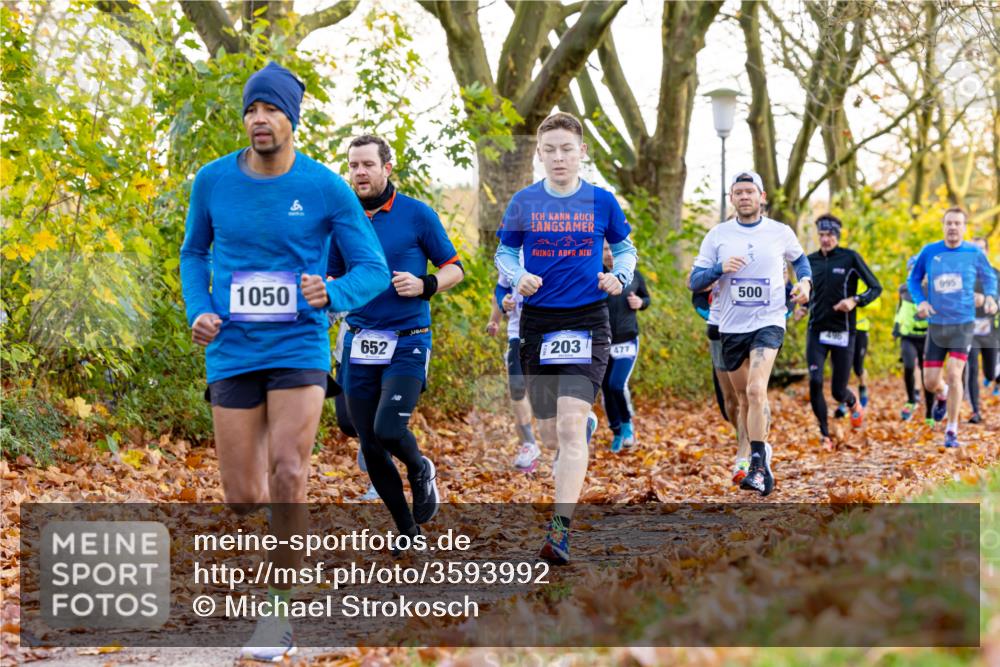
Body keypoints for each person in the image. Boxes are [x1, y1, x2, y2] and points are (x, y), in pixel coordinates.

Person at [179, 62, 389, 661]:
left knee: (289, 472)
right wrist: (199, 307)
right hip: (232, 348)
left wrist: (335, 294)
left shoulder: (325, 187)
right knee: (244, 495)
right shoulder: (213, 181)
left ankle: (280, 613)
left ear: (290, 118)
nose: (258, 119)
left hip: (298, 345)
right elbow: (194, 252)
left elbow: (371, 267)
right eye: (251, 110)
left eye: (270, 109)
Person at [495, 111, 637, 564]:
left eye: (567, 149)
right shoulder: (524, 201)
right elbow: (505, 251)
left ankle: (560, 531)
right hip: (538, 322)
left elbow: (626, 248)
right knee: (553, 431)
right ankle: (587, 425)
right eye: (550, 149)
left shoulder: (601, 201)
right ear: (539, 154)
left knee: (570, 429)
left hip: (588, 320)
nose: (559, 157)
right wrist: (518, 276)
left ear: (582, 153)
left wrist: (622, 276)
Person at [329, 134, 464, 539]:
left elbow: (454, 268)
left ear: (387, 168)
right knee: (368, 441)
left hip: (408, 339)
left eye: (367, 164)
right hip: (360, 339)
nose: (359, 172)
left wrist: (425, 285)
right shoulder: (344, 219)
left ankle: (421, 468)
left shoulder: (417, 215)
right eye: (353, 165)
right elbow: (333, 275)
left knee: (388, 430)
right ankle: (407, 529)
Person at [690, 170, 812, 496]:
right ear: (731, 198)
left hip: (768, 321)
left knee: (757, 390)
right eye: (738, 192)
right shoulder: (717, 235)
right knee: (742, 399)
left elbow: (801, 262)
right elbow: (694, 282)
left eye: (750, 191)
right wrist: (719, 269)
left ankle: (758, 465)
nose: (744, 197)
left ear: (762, 197)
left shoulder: (780, 232)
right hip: (730, 326)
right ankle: (761, 450)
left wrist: (805, 283)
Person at [908, 207, 998, 447]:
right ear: (943, 225)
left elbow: (990, 277)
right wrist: (922, 301)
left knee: (955, 373)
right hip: (937, 325)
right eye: (949, 223)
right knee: (930, 382)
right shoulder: (929, 251)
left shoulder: (973, 252)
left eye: (958, 223)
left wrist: (990, 297)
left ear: (964, 227)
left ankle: (952, 429)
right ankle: (942, 393)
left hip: (963, 324)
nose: (953, 227)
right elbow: (913, 279)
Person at [799, 214, 882, 450]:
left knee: (837, 391)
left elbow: (876, 287)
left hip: (844, 332)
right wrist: (802, 306)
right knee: (815, 381)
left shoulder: (850, 258)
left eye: (830, 235)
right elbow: (807, 291)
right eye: (822, 235)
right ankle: (825, 435)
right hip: (816, 330)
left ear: (837, 235)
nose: (825, 240)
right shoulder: (810, 261)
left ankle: (853, 403)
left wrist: (855, 300)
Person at [486, 259, 541, 472]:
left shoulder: (550, 246)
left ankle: (566, 448)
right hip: (517, 333)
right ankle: (529, 445)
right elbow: (500, 289)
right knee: (517, 388)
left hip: (548, 332)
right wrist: (500, 308)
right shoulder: (509, 256)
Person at [601, 241, 650, 452]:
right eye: (604, 249)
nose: (610, 254)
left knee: (616, 385)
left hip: (627, 339)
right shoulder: (594, 274)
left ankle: (627, 425)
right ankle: (617, 432)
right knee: (605, 388)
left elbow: (646, 297)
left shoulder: (633, 274)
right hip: (602, 341)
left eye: (613, 249)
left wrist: (640, 303)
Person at [893, 257, 934, 423]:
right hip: (908, 336)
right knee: (909, 366)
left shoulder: (933, 290)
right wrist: (896, 326)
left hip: (927, 337)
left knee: (928, 375)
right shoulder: (903, 289)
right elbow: (900, 309)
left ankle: (930, 413)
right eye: (911, 269)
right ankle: (911, 400)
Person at [965, 237, 1000, 422]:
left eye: (981, 249)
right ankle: (975, 411)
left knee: (990, 372)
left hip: (990, 332)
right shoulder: (964, 274)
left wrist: (994, 304)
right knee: (971, 367)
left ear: (986, 251)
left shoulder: (995, 274)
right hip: (968, 330)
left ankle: (994, 377)